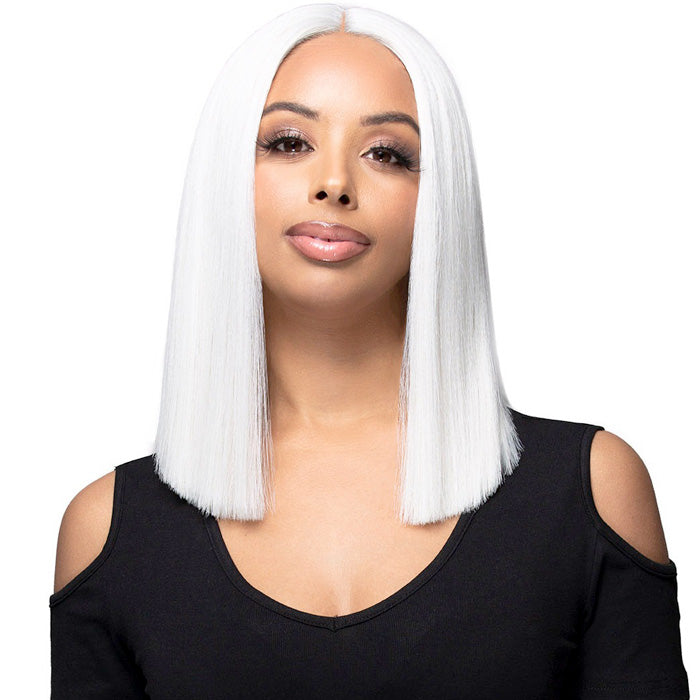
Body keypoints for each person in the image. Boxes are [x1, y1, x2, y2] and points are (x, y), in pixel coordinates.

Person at [49, 4, 690, 698]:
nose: (334, 183)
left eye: (387, 154)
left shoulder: (592, 493)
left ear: (438, 198)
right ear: (225, 176)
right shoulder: (106, 534)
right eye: (288, 142)